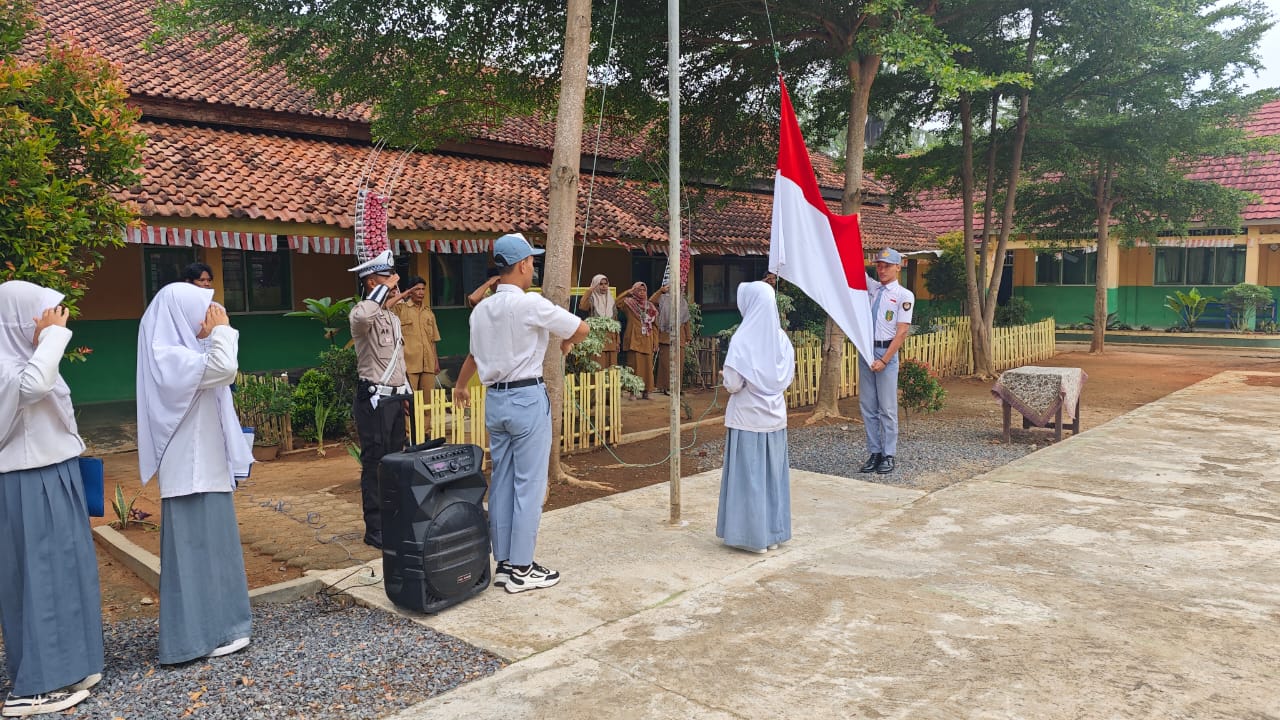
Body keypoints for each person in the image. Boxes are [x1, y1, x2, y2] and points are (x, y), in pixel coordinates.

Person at [454, 233, 588, 594]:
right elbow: (581, 327)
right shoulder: (531, 304)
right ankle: (524, 568)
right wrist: (568, 342)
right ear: (524, 264)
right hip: (527, 398)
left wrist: (460, 386)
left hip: (495, 400)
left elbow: (473, 356)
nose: (534, 267)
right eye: (533, 262)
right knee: (529, 485)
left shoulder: (481, 309)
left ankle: (505, 564)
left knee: (501, 481)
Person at [136, 282, 254, 665]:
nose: (211, 313)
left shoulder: (185, 352)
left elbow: (218, 367)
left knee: (216, 551)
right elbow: (225, 367)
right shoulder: (166, 355)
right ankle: (190, 639)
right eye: (203, 309)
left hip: (206, 466)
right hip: (190, 471)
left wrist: (215, 334)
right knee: (192, 558)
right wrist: (222, 330)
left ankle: (224, 627)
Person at [0, 282, 103, 717]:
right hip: (27, 477)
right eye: (42, 313)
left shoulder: (27, 358)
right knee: (38, 578)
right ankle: (31, 687)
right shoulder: (14, 363)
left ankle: (70, 663)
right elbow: (31, 390)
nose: (54, 319)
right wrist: (53, 339)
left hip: (53, 471)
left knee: (65, 571)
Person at [716, 281, 794, 554]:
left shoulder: (742, 339)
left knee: (749, 477)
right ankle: (773, 534)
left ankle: (751, 537)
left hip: (747, 417)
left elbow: (733, 384)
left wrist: (726, 378)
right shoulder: (781, 338)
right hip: (775, 416)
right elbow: (786, 377)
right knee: (773, 476)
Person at [347, 249, 410, 549]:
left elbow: (397, 361)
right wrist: (383, 289)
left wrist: (405, 392)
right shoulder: (363, 314)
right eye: (387, 278)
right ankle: (375, 528)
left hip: (394, 400)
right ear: (373, 282)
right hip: (373, 400)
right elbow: (361, 316)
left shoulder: (389, 317)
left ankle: (394, 519)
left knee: (395, 462)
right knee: (375, 464)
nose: (395, 284)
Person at [858, 247, 914, 475]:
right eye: (879, 265)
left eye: (887, 266)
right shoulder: (872, 289)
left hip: (886, 353)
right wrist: (856, 230)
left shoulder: (903, 295)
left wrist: (885, 360)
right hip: (867, 351)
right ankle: (875, 452)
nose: (881, 270)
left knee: (887, 408)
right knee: (868, 406)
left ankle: (889, 455)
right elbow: (854, 268)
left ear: (898, 268)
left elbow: (901, 332)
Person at [391, 276, 441, 393]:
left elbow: (433, 340)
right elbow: (387, 305)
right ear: (410, 291)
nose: (421, 292)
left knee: (428, 404)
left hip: (428, 364)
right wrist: (404, 294)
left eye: (423, 289)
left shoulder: (429, 313)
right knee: (410, 401)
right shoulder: (400, 309)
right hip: (409, 364)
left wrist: (436, 362)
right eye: (417, 289)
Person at [616, 281, 665, 399]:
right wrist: (628, 292)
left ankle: (647, 391)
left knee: (648, 367)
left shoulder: (651, 307)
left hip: (647, 339)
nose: (642, 293)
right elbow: (617, 302)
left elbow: (655, 326)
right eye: (639, 290)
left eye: (644, 291)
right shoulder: (629, 304)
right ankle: (633, 391)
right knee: (634, 366)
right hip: (633, 339)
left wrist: (655, 341)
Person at [576, 273, 619, 368]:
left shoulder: (611, 300)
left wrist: (617, 340)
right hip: (597, 339)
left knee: (611, 368)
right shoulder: (592, 299)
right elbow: (582, 306)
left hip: (611, 339)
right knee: (598, 367)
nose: (604, 286)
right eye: (600, 284)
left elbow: (615, 321)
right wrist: (590, 290)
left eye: (605, 284)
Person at [655, 286, 691, 394]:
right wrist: (660, 290)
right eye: (675, 287)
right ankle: (666, 387)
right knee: (665, 364)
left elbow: (686, 321)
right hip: (666, 336)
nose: (677, 290)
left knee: (678, 363)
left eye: (679, 288)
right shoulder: (663, 299)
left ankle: (677, 388)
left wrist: (688, 337)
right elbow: (651, 301)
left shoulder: (683, 302)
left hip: (680, 337)